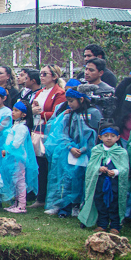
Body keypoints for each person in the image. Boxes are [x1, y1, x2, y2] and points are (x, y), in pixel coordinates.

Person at [45, 85, 101, 217]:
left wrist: (83, 149)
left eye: (71, 101)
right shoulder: (69, 114)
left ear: (81, 99)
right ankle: (64, 207)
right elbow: (61, 133)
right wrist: (70, 147)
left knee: (82, 179)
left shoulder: (93, 113)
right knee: (66, 180)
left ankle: (78, 205)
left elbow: (95, 135)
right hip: (69, 152)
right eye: (68, 101)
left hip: (87, 154)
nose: (69, 104)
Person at [77, 125, 129, 234]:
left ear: (118, 138)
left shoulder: (121, 152)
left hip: (114, 183)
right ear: (100, 137)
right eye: (106, 136)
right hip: (100, 182)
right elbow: (91, 166)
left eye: (112, 136)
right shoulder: (96, 150)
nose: (109, 138)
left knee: (114, 203)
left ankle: (115, 225)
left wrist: (116, 172)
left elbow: (125, 168)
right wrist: (99, 168)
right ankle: (102, 224)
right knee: (100, 202)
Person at [29, 65, 66, 207]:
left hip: (49, 132)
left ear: (54, 76)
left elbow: (58, 113)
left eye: (45, 74)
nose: (42, 76)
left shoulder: (59, 93)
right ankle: (39, 196)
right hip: (37, 129)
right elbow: (32, 108)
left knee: (47, 164)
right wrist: (32, 111)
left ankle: (47, 197)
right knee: (39, 164)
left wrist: (40, 113)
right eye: (41, 74)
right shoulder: (40, 92)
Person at [0, 101, 38, 214]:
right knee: (15, 180)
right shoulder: (16, 125)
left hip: (18, 158)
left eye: (16, 111)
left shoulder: (22, 128)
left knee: (19, 181)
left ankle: (21, 205)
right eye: (13, 110)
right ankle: (16, 203)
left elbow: (16, 144)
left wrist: (7, 150)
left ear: (24, 114)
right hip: (12, 157)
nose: (13, 112)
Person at [81, 57, 117, 121]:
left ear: (100, 73)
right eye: (86, 69)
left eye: (91, 70)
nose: (86, 72)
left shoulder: (108, 90)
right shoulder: (80, 88)